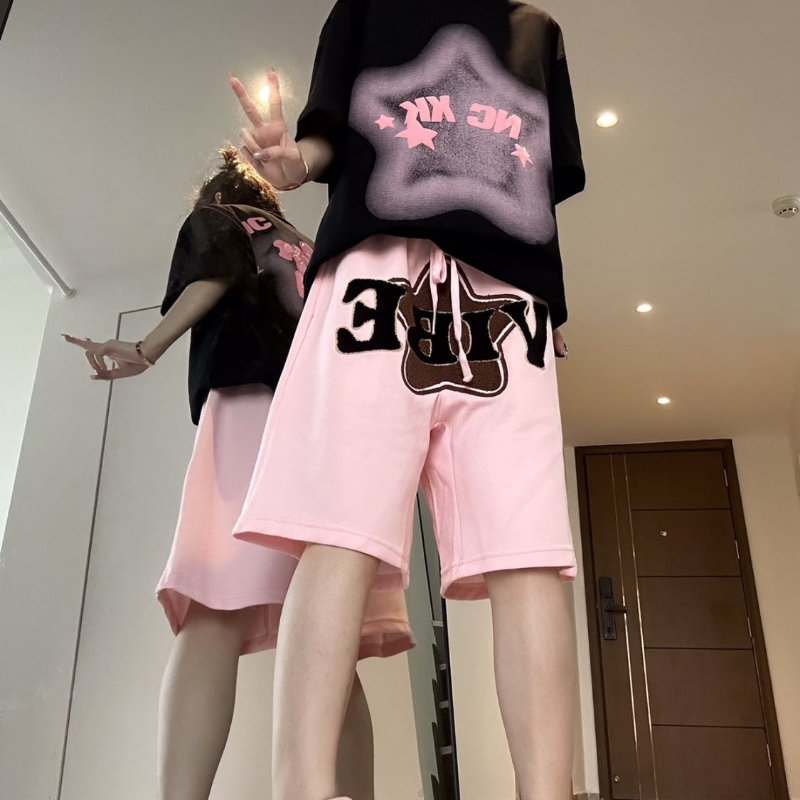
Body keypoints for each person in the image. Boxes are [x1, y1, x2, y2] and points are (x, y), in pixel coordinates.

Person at [229, 0, 585, 797]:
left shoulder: (536, 29)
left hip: (485, 287)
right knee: (349, 531)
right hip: (403, 268)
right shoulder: (368, 6)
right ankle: (303, 786)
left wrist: (549, 302)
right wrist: (296, 164)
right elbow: (331, 129)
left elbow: (536, 170)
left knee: (518, 551)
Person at [64, 146, 414, 800]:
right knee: (327, 637)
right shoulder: (312, 247)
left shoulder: (219, 218)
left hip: (256, 410)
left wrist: (146, 347)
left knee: (214, 610)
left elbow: (214, 275)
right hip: (332, 431)